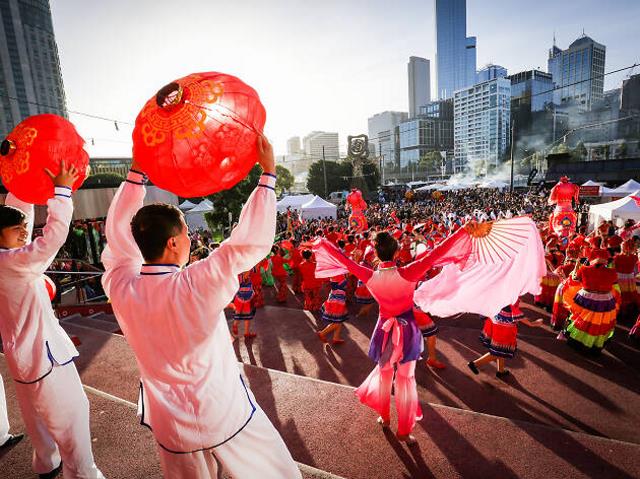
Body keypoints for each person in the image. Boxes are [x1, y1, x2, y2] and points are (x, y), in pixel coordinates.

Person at [101, 137, 300, 478]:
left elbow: (118, 242)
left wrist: (135, 176)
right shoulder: (196, 282)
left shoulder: (120, 286)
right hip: (222, 409)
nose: (192, 240)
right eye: (187, 234)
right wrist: (267, 175)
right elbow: (247, 245)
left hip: (170, 422)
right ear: (174, 241)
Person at [0, 162, 104, 479]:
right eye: (17, 230)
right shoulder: (15, 262)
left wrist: (24, 177)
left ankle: (47, 463)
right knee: (73, 418)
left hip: (24, 360)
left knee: (37, 419)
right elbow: (53, 236)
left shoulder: (9, 258)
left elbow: (20, 216)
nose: (23, 232)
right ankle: (84, 474)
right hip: (44, 359)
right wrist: (61, 190)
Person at [562, 249, 620, 354]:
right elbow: (615, 287)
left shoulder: (584, 269)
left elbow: (575, 279)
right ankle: (592, 344)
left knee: (582, 319)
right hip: (605, 300)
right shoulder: (612, 272)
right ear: (606, 260)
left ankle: (577, 341)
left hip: (586, 298)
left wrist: (577, 265)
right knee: (599, 323)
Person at [468, 302, 543, 378]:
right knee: (497, 351)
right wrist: (532, 323)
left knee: (500, 349)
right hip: (504, 328)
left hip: (497, 323)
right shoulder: (508, 298)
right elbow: (514, 311)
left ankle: (500, 371)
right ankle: (474, 364)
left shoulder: (500, 296)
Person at [317, 274, 349, 344]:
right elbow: (335, 287)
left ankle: (336, 338)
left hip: (338, 298)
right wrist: (345, 281)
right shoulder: (337, 273)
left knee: (339, 320)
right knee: (337, 322)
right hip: (336, 301)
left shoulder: (339, 272)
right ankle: (322, 333)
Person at [231, 271, 257, 339]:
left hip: (245, 297)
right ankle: (235, 326)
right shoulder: (241, 274)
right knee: (239, 314)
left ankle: (246, 333)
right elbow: (246, 275)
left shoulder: (243, 271)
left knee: (246, 316)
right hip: (242, 298)